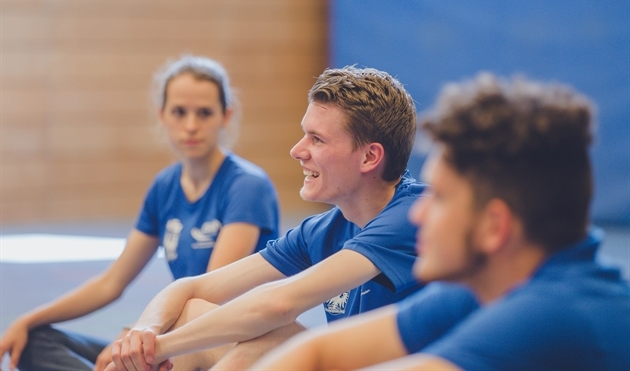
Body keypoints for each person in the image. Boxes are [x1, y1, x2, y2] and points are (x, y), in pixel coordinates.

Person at [251, 72, 630, 371]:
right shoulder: (484, 286)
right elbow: (317, 353)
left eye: (442, 199)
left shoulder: (551, 315)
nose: (418, 212)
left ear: (494, 227)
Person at [103, 65, 425, 371]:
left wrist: (158, 348)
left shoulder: (414, 215)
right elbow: (192, 288)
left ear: (370, 157)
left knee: (268, 337)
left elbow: (279, 304)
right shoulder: (323, 230)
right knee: (191, 313)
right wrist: (143, 332)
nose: (297, 150)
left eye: (317, 139)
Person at [0, 55, 280, 371]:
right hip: (171, 331)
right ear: (162, 116)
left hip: (224, 342)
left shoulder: (246, 186)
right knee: (34, 341)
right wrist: (27, 319)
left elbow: (207, 297)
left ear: (225, 116)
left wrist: (139, 331)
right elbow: (111, 282)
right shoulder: (165, 187)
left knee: (139, 352)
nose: (191, 125)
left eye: (204, 113)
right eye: (179, 112)